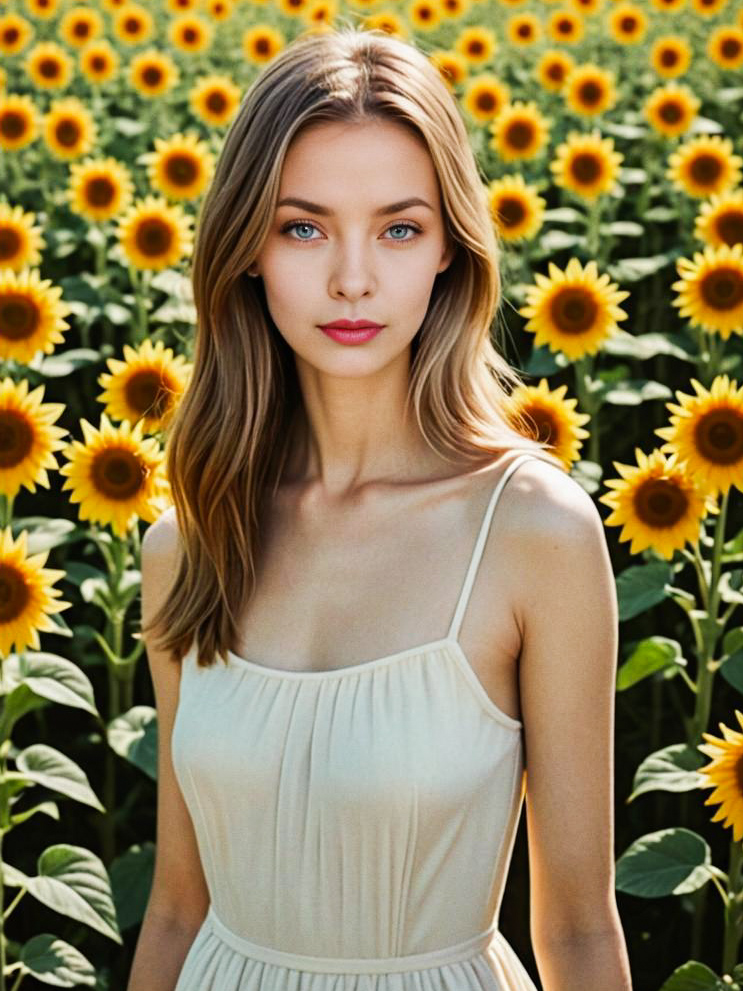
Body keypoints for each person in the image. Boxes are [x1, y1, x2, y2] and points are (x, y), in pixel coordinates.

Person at [127, 23, 633, 991]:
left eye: (398, 228)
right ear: (245, 248)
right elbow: (178, 904)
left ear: (449, 249)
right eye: (302, 226)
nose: (351, 277)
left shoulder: (532, 531)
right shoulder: (188, 540)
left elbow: (572, 930)